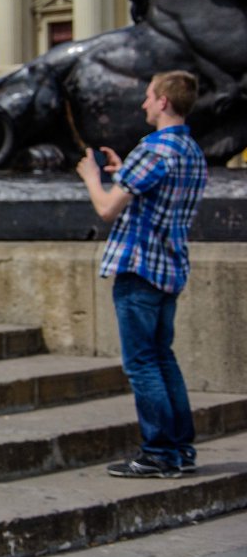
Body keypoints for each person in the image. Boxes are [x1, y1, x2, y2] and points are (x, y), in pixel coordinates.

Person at [76, 70, 207, 479]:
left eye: (149, 97)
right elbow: (154, 196)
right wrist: (122, 171)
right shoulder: (190, 151)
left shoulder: (152, 149)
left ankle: (158, 453)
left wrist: (93, 179)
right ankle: (181, 449)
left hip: (138, 269)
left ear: (164, 101)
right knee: (163, 358)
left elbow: (106, 209)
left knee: (142, 364)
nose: (144, 104)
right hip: (170, 267)